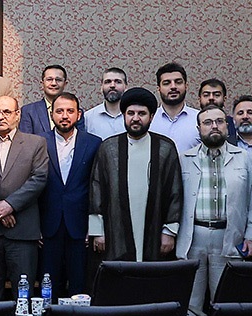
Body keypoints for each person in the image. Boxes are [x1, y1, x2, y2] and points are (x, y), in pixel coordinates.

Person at [177, 107, 252, 316]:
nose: (214, 126)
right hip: (193, 236)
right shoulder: (183, 159)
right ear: (199, 128)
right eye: (207, 123)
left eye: (219, 121)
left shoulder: (244, 158)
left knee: (226, 300)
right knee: (190, 303)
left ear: (227, 125)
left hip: (230, 237)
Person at [88, 87, 184, 262]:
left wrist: (169, 231)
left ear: (151, 117)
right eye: (131, 113)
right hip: (115, 229)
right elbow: (97, 189)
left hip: (155, 229)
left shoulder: (165, 148)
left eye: (142, 114)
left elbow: (175, 191)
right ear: (124, 115)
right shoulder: (109, 148)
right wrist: (97, 231)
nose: (136, 118)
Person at [0, 96, 49, 301]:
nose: (1, 117)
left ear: (17, 115)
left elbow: (39, 178)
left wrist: (9, 205)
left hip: (22, 229)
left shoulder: (36, 143)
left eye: (6, 112)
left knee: (23, 295)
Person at [39, 93, 102, 296]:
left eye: (70, 111)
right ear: (52, 114)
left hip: (80, 227)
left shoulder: (93, 143)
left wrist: (94, 226)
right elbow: (33, 186)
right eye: (59, 111)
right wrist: (35, 227)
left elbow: (98, 187)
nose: (64, 116)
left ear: (79, 114)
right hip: (48, 227)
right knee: (49, 287)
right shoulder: (39, 142)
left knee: (79, 286)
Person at [19, 65, 85, 136]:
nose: (54, 83)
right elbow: (26, 140)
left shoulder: (74, 112)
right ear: (42, 84)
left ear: (65, 84)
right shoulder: (28, 111)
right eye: (49, 79)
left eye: (58, 80)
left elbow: (80, 138)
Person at [151, 63, 200, 152]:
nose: (173, 87)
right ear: (158, 88)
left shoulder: (199, 119)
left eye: (178, 82)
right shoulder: (150, 120)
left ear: (186, 86)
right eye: (167, 83)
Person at [82, 68, 128, 137]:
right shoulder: (87, 118)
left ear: (125, 87)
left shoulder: (134, 117)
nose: (112, 85)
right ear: (101, 87)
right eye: (107, 82)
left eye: (118, 82)